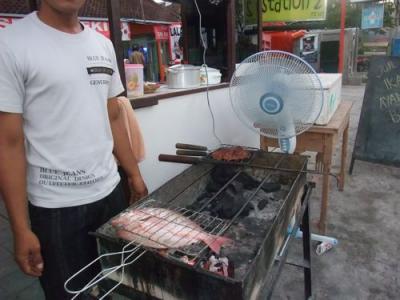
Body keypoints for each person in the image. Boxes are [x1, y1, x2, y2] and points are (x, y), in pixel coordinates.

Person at [0, 0, 148, 299]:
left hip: (111, 193)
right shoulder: (11, 44)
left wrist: (133, 173)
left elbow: (114, 115)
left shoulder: (102, 45)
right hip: (57, 206)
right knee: (71, 294)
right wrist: (20, 227)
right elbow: (8, 142)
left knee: (124, 283)